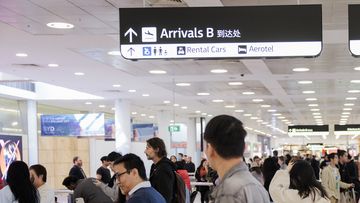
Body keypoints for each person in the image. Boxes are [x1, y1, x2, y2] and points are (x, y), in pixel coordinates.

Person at [203, 115, 270, 203]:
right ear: (243, 147)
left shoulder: (228, 191)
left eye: (206, 146)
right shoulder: (257, 185)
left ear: (211, 149)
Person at [145, 137, 175, 203]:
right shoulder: (155, 166)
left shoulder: (164, 168)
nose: (145, 151)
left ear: (157, 149)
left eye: (147, 148)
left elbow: (166, 197)